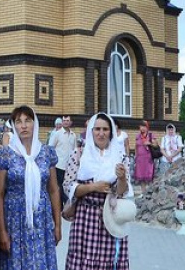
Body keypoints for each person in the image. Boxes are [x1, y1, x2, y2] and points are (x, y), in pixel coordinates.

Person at [0, 105, 60, 270]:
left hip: (41, 219)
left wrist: (57, 225)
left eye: (27, 120)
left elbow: (53, 189)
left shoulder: (46, 153)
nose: (23, 125)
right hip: (15, 220)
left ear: (34, 124)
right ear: (13, 126)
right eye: (18, 121)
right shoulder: (6, 154)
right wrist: (1, 231)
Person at [63, 113, 130, 270]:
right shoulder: (79, 154)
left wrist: (121, 178)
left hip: (111, 217)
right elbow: (68, 187)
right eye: (97, 129)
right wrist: (93, 187)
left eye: (105, 129)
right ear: (91, 131)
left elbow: (122, 192)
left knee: (109, 260)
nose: (101, 133)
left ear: (111, 132)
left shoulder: (120, 156)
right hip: (85, 217)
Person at [48, 117, 78, 205]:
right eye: (64, 121)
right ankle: (63, 204)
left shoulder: (73, 135)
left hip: (69, 166)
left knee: (67, 185)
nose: (65, 122)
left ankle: (65, 203)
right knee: (59, 186)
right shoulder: (57, 134)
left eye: (67, 121)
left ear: (70, 122)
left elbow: (75, 150)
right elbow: (50, 148)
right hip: (59, 165)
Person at [132, 121, 157, 193]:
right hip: (140, 159)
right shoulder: (138, 136)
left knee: (149, 176)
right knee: (141, 177)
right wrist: (136, 157)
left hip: (148, 159)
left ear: (147, 127)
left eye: (144, 126)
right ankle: (143, 193)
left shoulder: (151, 135)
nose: (142, 128)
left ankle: (151, 193)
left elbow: (156, 145)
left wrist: (149, 143)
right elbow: (136, 147)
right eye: (141, 126)